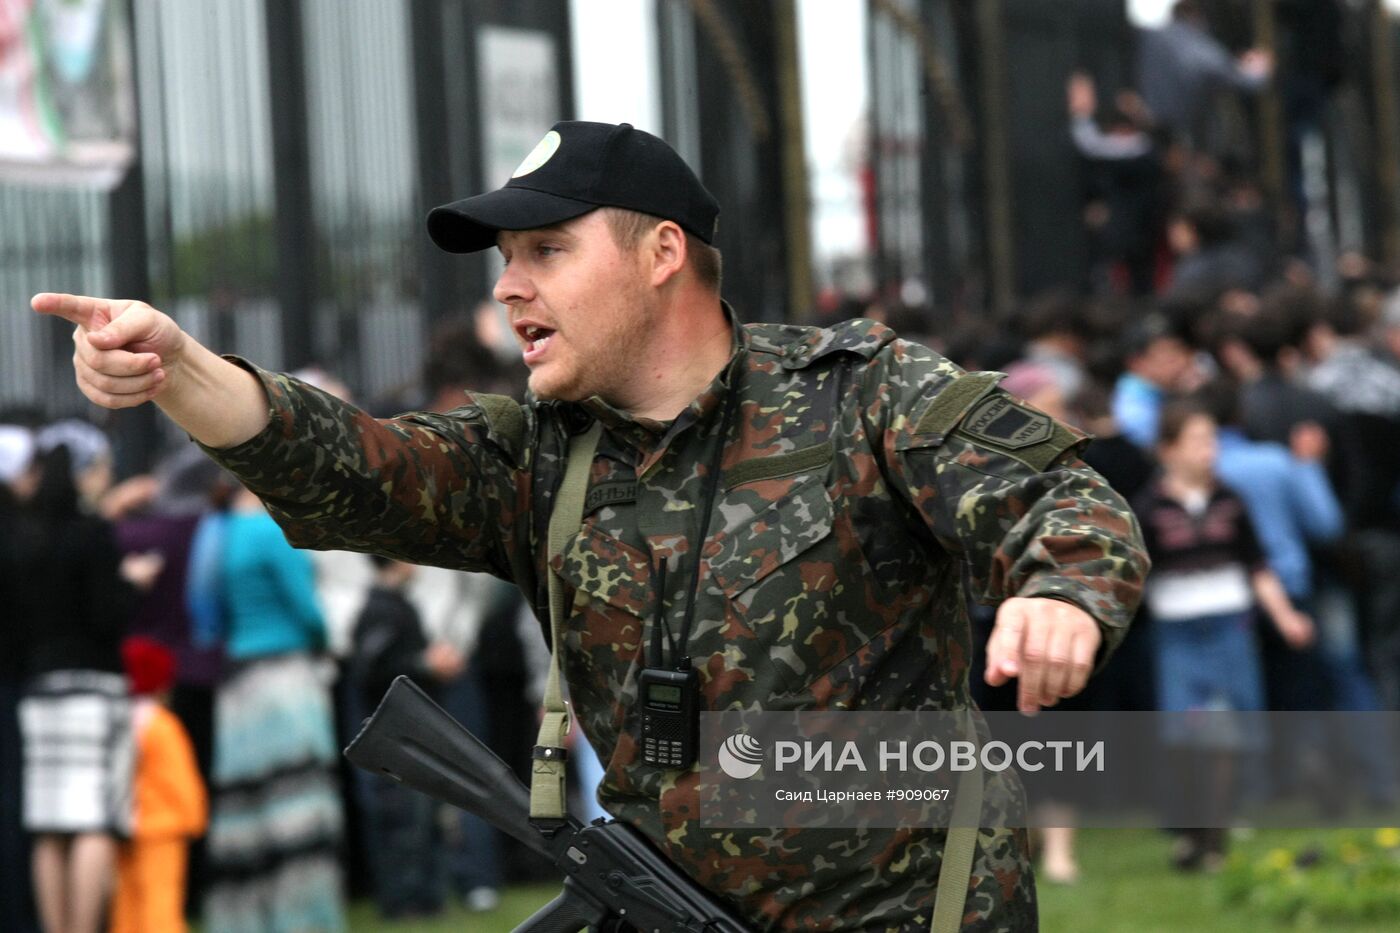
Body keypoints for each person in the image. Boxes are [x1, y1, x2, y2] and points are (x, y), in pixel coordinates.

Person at [34, 120, 1149, 931]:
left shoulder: (862, 395)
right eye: (503, 262)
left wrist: (1059, 593)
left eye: (546, 252)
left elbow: (1061, 494)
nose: (509, 289)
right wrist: (178, 370)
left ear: (662, 254)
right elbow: (352, 468)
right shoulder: (538, 455)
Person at [1133, 400, 1313, 872]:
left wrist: (1285, 615)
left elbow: (1257, 565)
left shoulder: (1230, 500)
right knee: (1187, 729)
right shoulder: (1149, 507)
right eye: (1196, 441)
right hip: (1178, 633)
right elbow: (1134, 574)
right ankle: (1193, 826)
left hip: (1231, 628)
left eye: (1211, 440)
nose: (1208, 451)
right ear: (1166, 450)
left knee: (1227, 730)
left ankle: (1213, 833)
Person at [109, 636, 207, 933]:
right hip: (164, 831)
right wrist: (195, 819)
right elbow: (180, 779)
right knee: (161, 900)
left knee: (126, 904)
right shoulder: (163, 726)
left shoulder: (118, 722)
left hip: (125, 828)